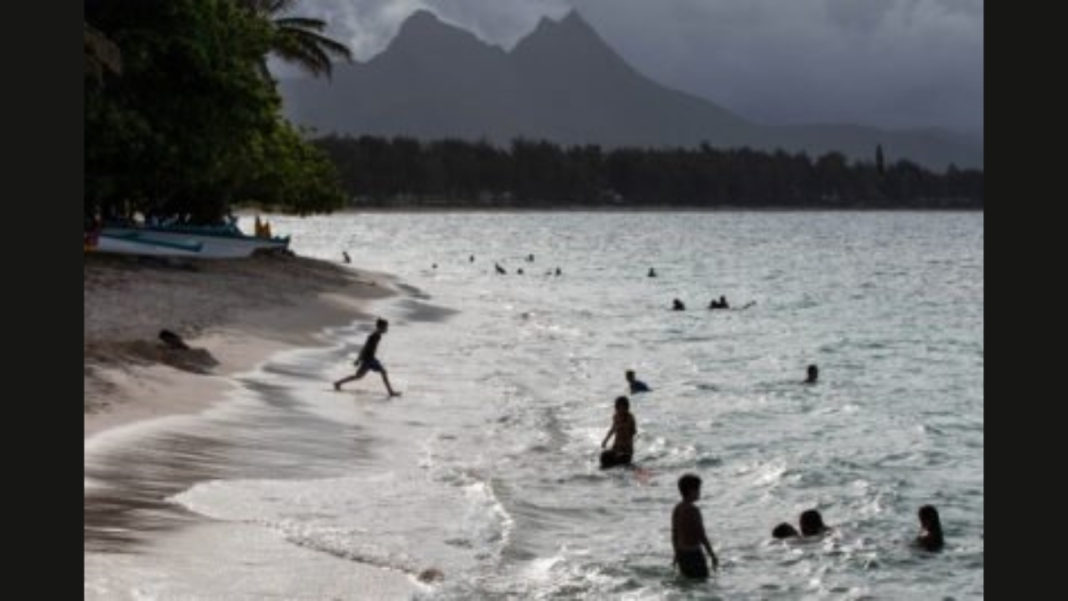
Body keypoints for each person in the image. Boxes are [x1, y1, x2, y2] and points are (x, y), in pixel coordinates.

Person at [333, 318, 400, 396]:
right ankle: (391, 392)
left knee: (359, 376)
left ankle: (338, 383)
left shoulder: (377, 336)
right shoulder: (373, 336)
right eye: (385, 327)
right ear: (380, 327)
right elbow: (365, 347)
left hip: (370, 359)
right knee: (380, 372)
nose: (386, 329)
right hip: (368, 359)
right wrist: (358, 359)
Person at [672, 474, 719, 579]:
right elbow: (701, 534)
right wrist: (712, 555)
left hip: (682, 553)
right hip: (694, 554)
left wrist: (676, 553)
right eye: (698, 489)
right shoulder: (693, 510)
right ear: (691, 491)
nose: (699, 492)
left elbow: (674, 533)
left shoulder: (677, 508)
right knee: (702, 582)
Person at [600, 396, 636, 468]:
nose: (620, 411)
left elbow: (633, 432)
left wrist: (624, 427)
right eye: (618, 408)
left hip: (626, 449)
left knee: (621, 462)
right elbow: (612, 429)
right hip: (616, 447)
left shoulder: (630, 418)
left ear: (626, 408)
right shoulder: (616, 417)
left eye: (623, 408)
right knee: (603, 457)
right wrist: (605, 440)